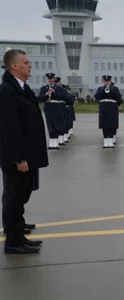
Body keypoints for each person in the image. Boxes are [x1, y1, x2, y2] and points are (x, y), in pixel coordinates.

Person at [0, 49, 49, 254]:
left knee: (20, 198)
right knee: (14, 199)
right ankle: (13, 243)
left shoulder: (21, 88)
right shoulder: (7, 91)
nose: (30, 65)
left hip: (27, 154)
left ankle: (19, 236)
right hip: (17, 158)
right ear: (14, 66)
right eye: (26, 62)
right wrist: (18, 158)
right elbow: (9, 128)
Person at [94, 75, 122, 148]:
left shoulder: (115, 88)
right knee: (104, 125)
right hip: (104, 108)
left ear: (110, 81)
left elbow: (119, 98)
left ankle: (111, 141)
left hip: (112, 108)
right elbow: (96, 96)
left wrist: (111, 90)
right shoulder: (100, 88)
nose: (107, 83)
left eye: (108, 81)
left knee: (112, 124)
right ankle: (106, 142)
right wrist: (104, 90)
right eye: (105, 81)